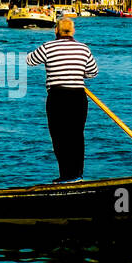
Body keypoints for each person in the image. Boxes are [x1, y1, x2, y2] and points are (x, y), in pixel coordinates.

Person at [26, 17, 98, 183]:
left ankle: (66, 175)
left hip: (57, 96)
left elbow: (29, 60)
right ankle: (77, 175)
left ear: (56, 31)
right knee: (76, 136)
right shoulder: (84, 49)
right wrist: (78, 71)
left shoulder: (48, 47)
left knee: (59, 136)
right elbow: (92, 72)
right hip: (78, 96)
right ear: (73, 31)